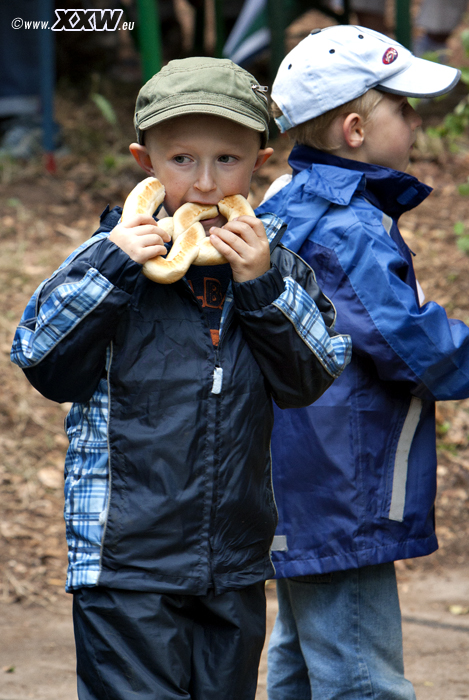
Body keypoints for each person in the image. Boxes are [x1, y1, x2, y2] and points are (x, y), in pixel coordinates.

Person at [10, 57, 351, 700]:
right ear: (146, 161)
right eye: (181, 160)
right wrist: (114, 269)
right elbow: (43, 360)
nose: (202, 182)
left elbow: (311, 376)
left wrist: (262, 287)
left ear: (260, 161)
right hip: (125, 564)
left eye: (227, 160)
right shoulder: (107, 256)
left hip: (233, 562)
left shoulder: (273, 264)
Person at [256, 25, 469, 700]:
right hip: (340, 479)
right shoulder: (345, 226)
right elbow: (405, 340)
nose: (413, 121)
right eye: (401, 108)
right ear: (354, 128)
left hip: (300, 476)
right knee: (360, 676)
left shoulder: (285, 202)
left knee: (303, 653)